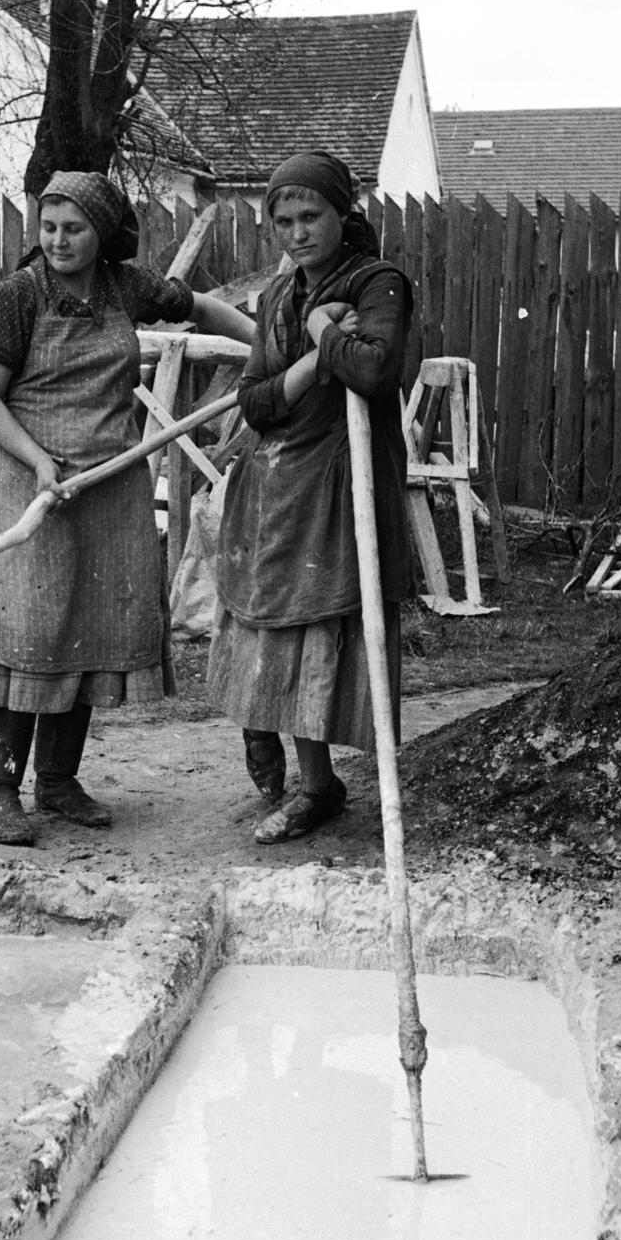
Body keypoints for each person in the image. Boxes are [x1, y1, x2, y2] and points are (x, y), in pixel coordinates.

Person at [0, 170, 256, 846]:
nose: (59, 241)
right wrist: (38, 462)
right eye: (50, 227)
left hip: (110, 485)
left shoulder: (126, 287)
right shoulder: (18, 297)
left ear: (101, 234)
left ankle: (58, 784)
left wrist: (264, 341)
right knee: (27, 637)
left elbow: (200, 307)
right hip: (31, 487)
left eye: (74, 229)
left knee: (86, 632)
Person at [207, 150, 414, 845]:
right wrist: (313, 354)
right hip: (273, 484)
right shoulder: (278, 297)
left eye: (310, 217)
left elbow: (375, 370)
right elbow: (257, 403)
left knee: (313, 631)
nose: (297, 234)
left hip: (338, 481)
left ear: (342, 215)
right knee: (265, 620)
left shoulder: (379, 284)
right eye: (283, 221)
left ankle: (319, 785)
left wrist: (331, 331)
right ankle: (276, 748)